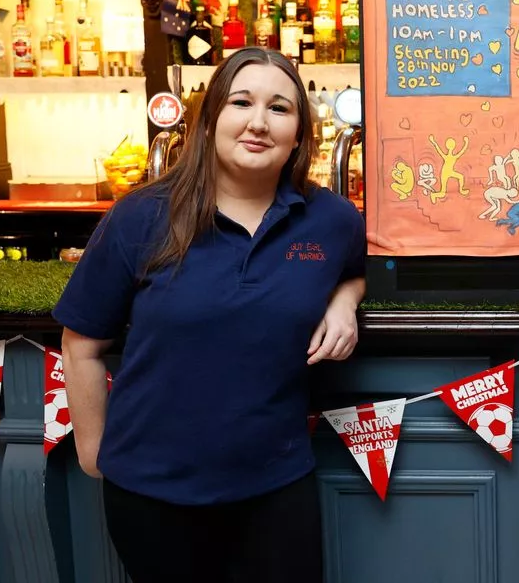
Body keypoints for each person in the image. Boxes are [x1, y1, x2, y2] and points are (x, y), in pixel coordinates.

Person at [54, 47, 366, 582]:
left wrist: (345, 301)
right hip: (152, 493)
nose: (258, 123)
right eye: (241, 102)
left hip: (276, 485)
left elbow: (355, 267)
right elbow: (80, 343)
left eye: (280, 108)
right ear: (210, 119)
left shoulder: (331, 219)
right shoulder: (142, 215)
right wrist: (92, 453)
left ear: (299, 133)